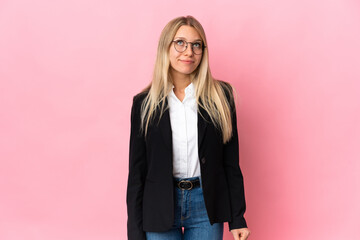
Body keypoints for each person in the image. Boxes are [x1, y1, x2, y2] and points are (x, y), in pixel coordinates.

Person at [127, 15, 251, 240]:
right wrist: (135, 233)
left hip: (206, 205)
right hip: (159, 205)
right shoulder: (144, 103)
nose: (189, 52)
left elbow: (230, 163)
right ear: (166, 47)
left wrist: (237, 217)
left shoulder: (221, 97)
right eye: (180, 43)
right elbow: (137, 173)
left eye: (196, 45)